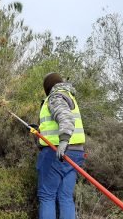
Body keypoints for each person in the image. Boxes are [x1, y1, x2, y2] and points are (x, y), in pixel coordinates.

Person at [36, 72, 85, 219]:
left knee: (47, 196)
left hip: (56, 152)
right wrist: (39, 129)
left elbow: (64, 117)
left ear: (48, 87)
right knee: (65, 196)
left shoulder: (55, 96)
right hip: (76, 153)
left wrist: (63, 141)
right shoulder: (69, 96)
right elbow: (55, 123)